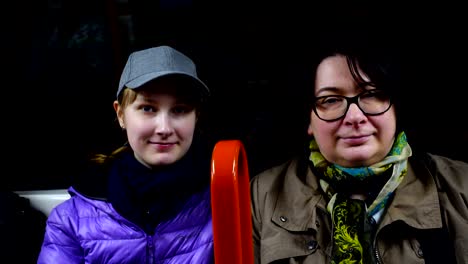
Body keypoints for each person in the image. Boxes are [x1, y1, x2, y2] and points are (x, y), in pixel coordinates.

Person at [250, 32, 468, 263]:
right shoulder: (260, 197)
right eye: (330, 100)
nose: (355, 117)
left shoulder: (461, 186)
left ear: (395, 109)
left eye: (372, 94)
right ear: (309, 120)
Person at [37, 45, 215, 263]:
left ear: (196, 117)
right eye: (148, 108)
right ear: (121, 115)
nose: (164, 128)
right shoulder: (71, 220)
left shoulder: (222, 205)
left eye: (180, 110)